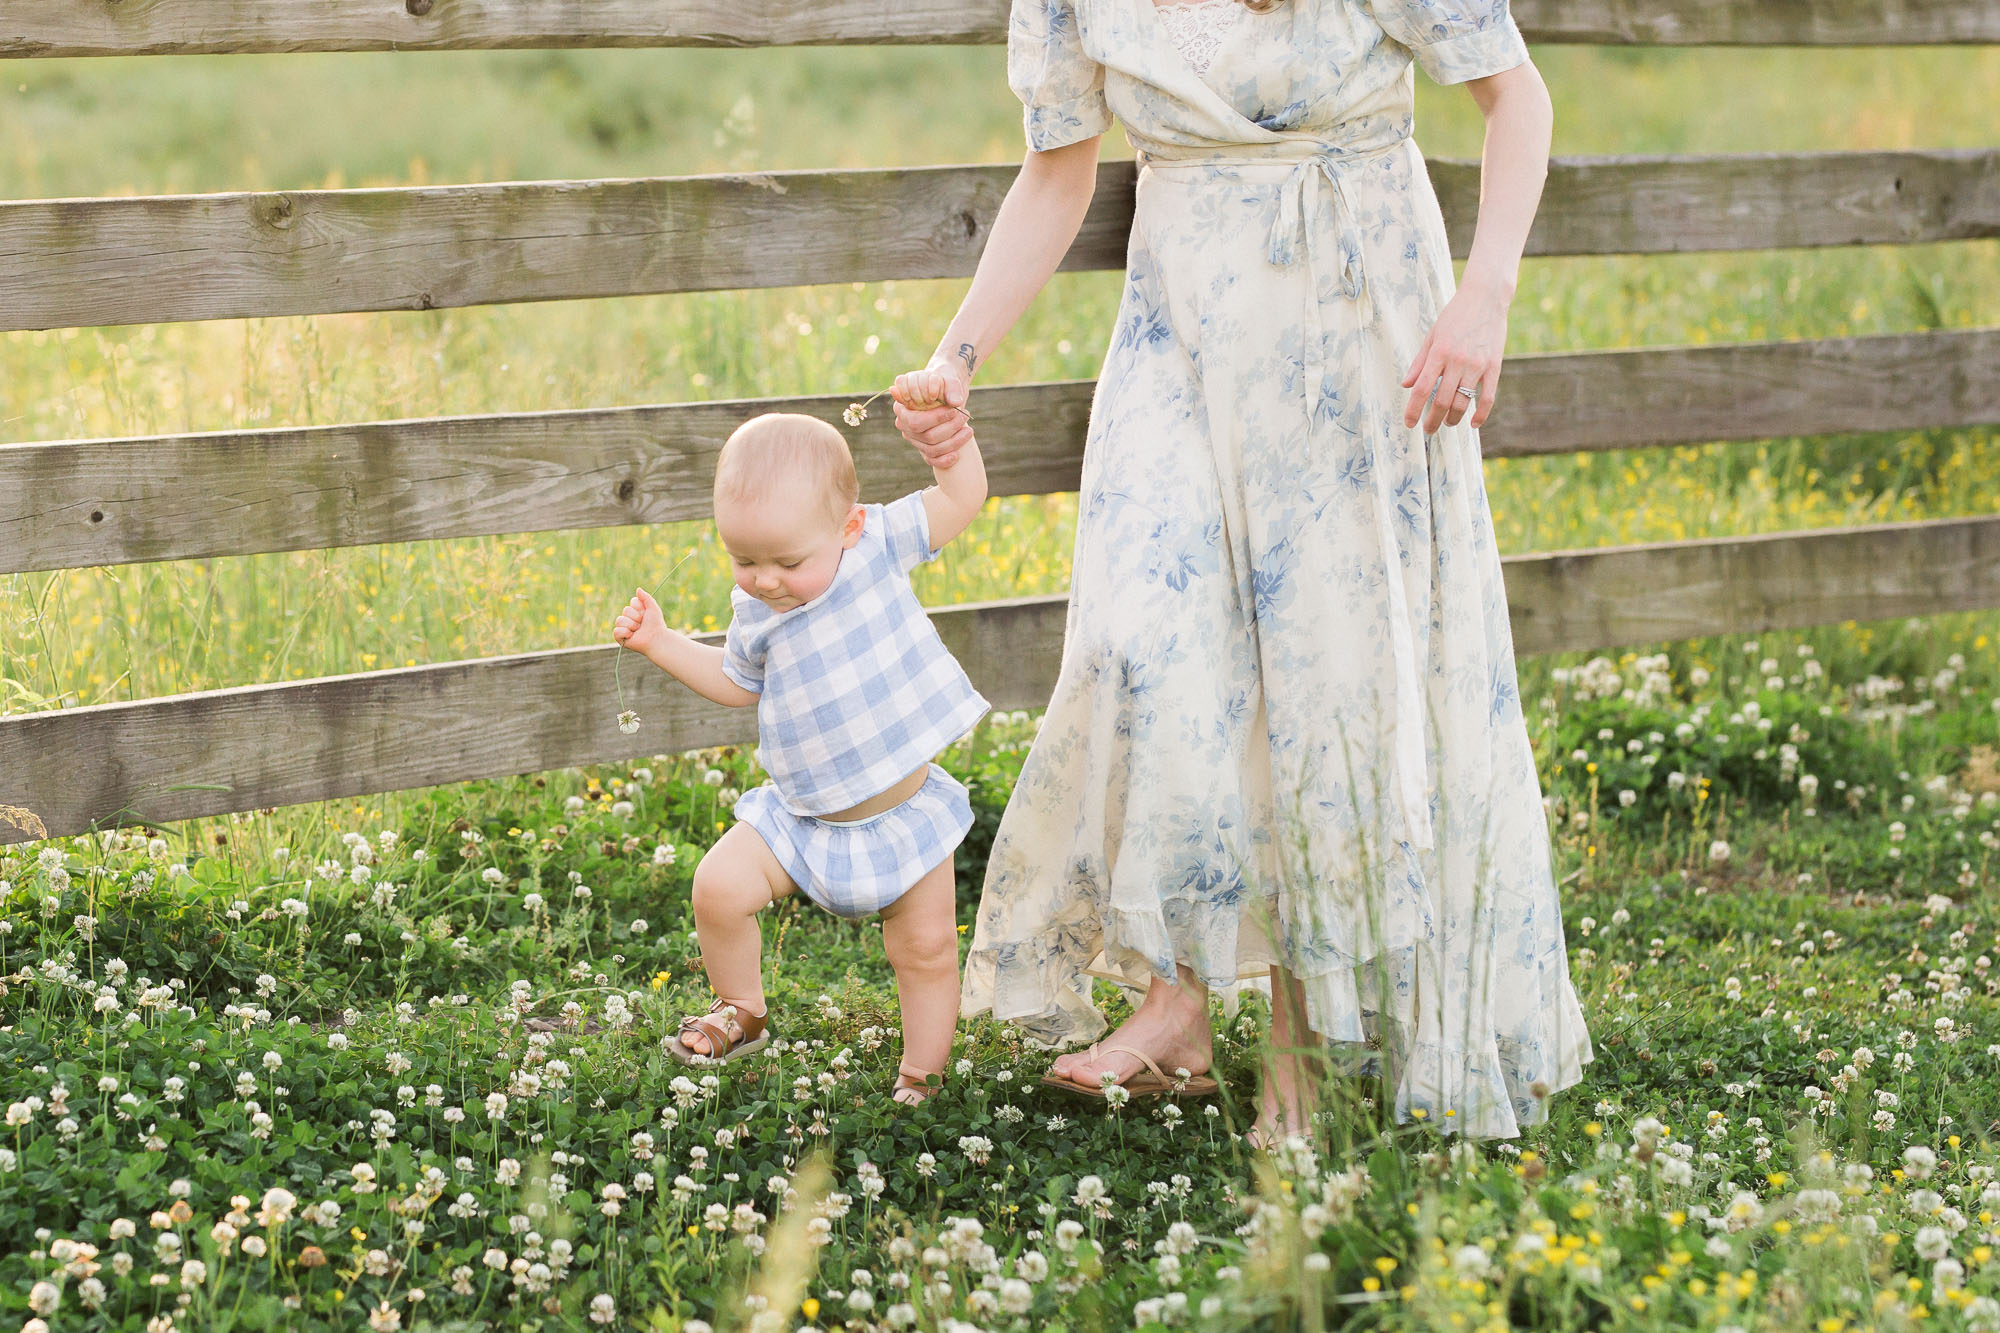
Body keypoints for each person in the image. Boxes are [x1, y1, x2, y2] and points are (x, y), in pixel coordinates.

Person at [892, 0, 1592, 1143]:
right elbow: (1056, 172)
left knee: (1323, 680)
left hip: (1354, 326)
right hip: (1176, 331)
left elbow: (1515, 95)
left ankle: (1297, 1051)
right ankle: (1177, 1002)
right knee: (1139, 640)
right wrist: (954, 358)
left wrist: (1485, 295)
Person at [612, 411, 990, 1105]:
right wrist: (660, 642)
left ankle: (921, 1075)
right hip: (802, 820)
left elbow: (962, 497)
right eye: (744, 560)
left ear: (847, 527)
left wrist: (951, 442)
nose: (765, 580)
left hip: (904, 819)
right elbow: (736, 683)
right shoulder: (757, 609)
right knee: (717, 888)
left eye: (787, 562)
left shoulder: (878, 543)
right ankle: (742, 1009)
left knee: (927, 950)